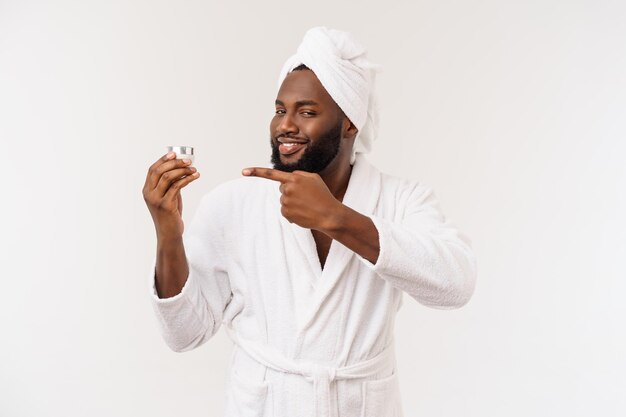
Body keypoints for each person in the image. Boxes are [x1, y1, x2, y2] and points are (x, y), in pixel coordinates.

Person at [142, 26, 477, 417]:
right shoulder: (234, 204)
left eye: (307, 112)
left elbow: (457, 284)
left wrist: (338, 219)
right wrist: (167, 231)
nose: (285, 124)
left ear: (350, 122)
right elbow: (183, 335)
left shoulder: (400, 199)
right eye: (280, 110)